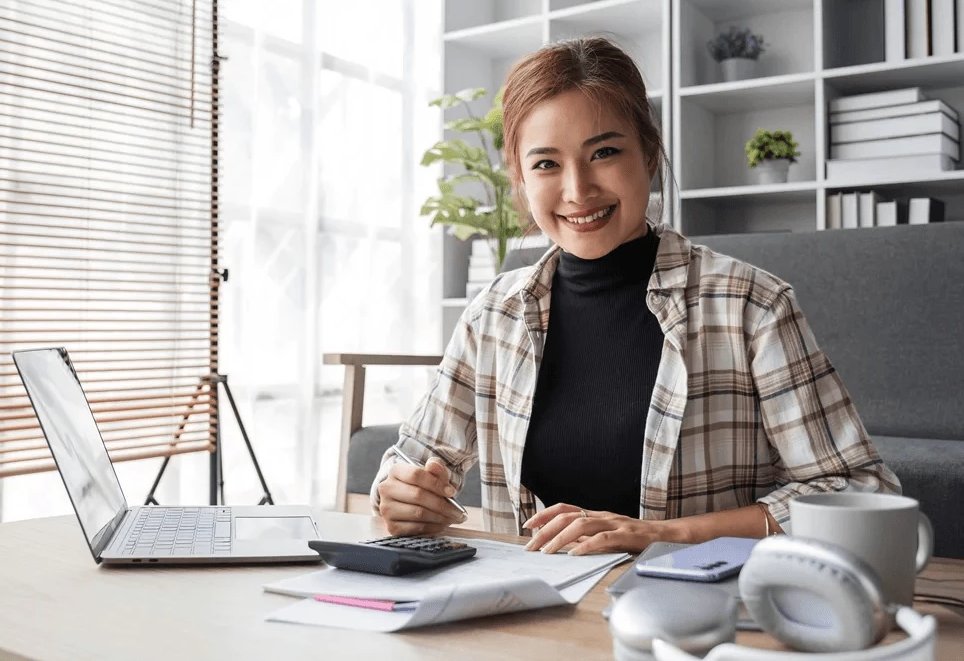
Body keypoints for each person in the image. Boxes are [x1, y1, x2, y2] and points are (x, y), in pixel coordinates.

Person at [371, 37, 901, 556]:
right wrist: (401, 493)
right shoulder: (492, 316)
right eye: (547, 164)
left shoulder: (751, 305)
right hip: (533, 615)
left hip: (698, 617)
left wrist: (667, 534)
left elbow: (858, 489)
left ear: (648, 155)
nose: (578, 190)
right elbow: (410, 462)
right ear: (521, 179)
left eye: (603, 152)